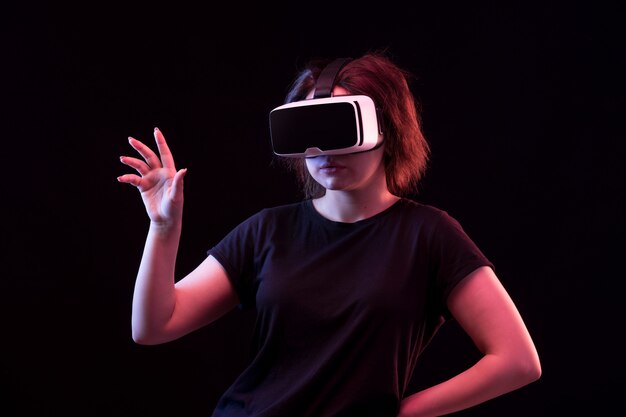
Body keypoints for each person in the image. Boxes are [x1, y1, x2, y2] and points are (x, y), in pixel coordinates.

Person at [117, 51, 541, 417]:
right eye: (308, 131)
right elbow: (154, 326)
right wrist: (163, 227)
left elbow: (517, 360)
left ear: (387, 133)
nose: (324, 152)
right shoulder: (268, 230)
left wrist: (403, 412)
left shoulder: (429, 236)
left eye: (340, 129)